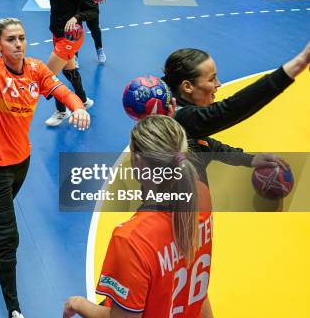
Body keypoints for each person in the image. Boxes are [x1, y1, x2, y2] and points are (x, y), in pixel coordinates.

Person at [0, 0, 91, 318]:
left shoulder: (35, 70)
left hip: (21, 162)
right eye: (11, 39)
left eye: (22, 38)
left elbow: (61, 91)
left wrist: (76, 107)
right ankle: (14, 310)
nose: (18, 44)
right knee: (10, 236)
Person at [62, 115, 213, 318]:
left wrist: (78, 304)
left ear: (138, 162)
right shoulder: (201, 196)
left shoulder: (131, 239)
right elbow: (199, 292)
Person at [162, 44, 310, 185]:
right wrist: (300, 62)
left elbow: (205, 144)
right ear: (187, 86)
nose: (218, 84)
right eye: (211, 79)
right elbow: (231, 109)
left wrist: (250, 159)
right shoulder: (181, 119)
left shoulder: (175, 115)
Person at [28, 0, 97, 126]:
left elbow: (93, 10)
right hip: (57, 34)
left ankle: (61, 111)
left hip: (70, 38)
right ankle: (83, 99)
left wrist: (76, 18)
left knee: (50, 76)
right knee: (69, 70)